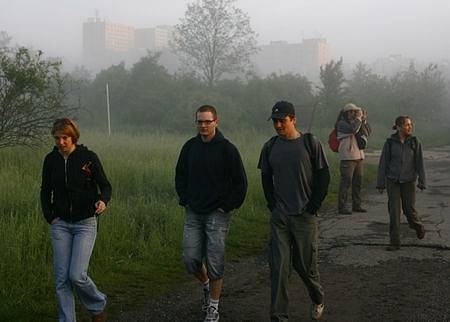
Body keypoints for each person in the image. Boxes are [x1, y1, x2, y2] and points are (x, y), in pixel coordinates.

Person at [258, 101, 330, 321]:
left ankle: (317, 297)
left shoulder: (310, 143)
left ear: (293, 119)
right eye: (275, 121)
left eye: (282, 120)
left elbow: (323, 176)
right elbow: (265, 178)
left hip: (304, 216)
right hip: (280, 216)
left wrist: (313, 205)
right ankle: (279, 316)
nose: (278, 125)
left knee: (305, 267)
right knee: (279, 268)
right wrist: (272, 204)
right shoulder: (270, 146)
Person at [175, 105, 248, 322]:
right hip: (194, 212)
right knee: (190, 259)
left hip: (218, 213)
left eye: (207, 121)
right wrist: (185, 199)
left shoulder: (227, 149)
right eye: (199, 121)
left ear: (216, 121)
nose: (203, 126)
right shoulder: (190, 147)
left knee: (215, 261)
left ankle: (213, 307)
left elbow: (240, 183)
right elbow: (180, 175)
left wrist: (226, 206)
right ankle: (206, 286)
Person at [40, 118, 111, 322]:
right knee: (62, 280)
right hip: (60, 224)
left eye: (65, 138)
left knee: (77, 275)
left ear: (74, 137)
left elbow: (105, 186)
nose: (60, 142)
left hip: (85, 224)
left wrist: (103, 201)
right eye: (57, 138)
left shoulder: (88, 158)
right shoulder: (50, 160)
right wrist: (50, 216)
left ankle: (98, 303)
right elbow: (45, 190)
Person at [376, 115, 426, 251]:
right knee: (394, 211)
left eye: (410, 124)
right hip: (393, 181)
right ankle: (395, 242)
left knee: (409, 210)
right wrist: (380, 183)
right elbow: (383, 163)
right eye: (407, 125)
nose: (410, 127)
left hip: (408, 181)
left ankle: (417, 225)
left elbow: (420, 163)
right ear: (398, 127)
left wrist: (422, 180)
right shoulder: (390, 143)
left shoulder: (415, 142)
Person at [336, 103, 370, 214]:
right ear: (345, 113)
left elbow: (368, 132)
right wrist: (359, 119)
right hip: (347, 157)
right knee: (346, 182)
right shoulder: (341, 124)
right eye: (350, 112)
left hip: (359, 156)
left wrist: (364, 121)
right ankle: (342, 206)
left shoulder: (358, 122)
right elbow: (353, 129)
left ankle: (357, 205)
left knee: (358, 182)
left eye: (354, 111)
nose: (353, 114)